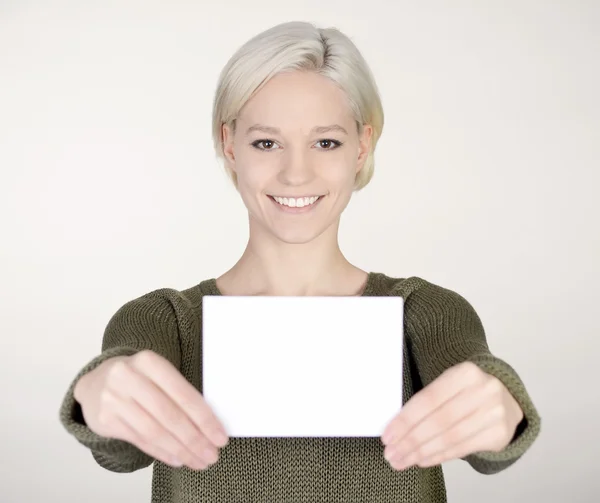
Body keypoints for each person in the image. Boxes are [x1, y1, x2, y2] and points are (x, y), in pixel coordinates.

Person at [59, 20, 541, 503]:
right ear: (230, 145)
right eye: (266, 142)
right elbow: (118, 451)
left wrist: (502, 406)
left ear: (362, 146)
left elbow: (486, 421)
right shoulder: (165, 321)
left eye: (325, 142)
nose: (295, 172)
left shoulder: (423, 309)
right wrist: (94, 395)